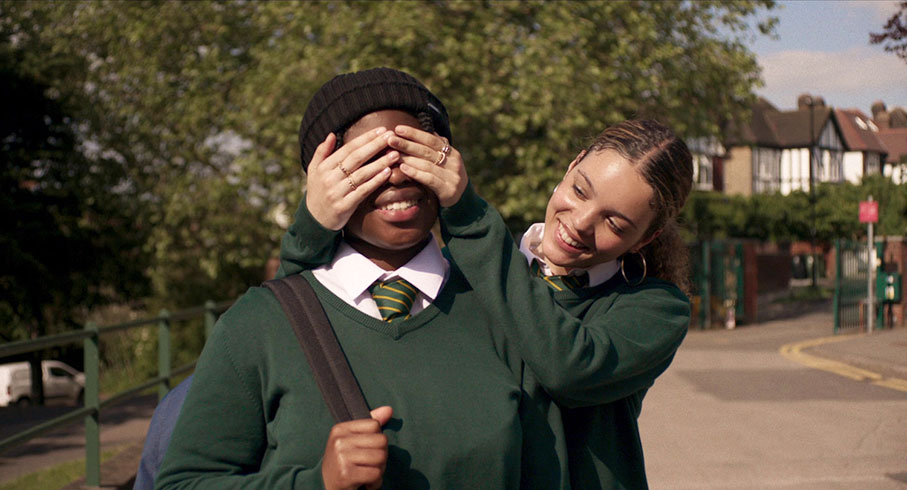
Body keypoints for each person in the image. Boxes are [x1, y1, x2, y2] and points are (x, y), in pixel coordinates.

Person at [153, 68, 565, 490]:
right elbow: (182, 483)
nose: (398, 174)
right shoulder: (257, 324)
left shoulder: (504, 311)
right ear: (324, 181)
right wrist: (317, 483)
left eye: (412, 151)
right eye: (368, 160)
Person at [294, 118, 694, 489]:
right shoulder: (462, 274)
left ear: (645, 238)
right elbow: (305, 325)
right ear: (572, 165)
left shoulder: (656, 308)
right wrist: (312, 226)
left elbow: (568, 366)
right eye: (580, 190)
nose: (581, 221)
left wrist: (468, 216)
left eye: (615, 223)